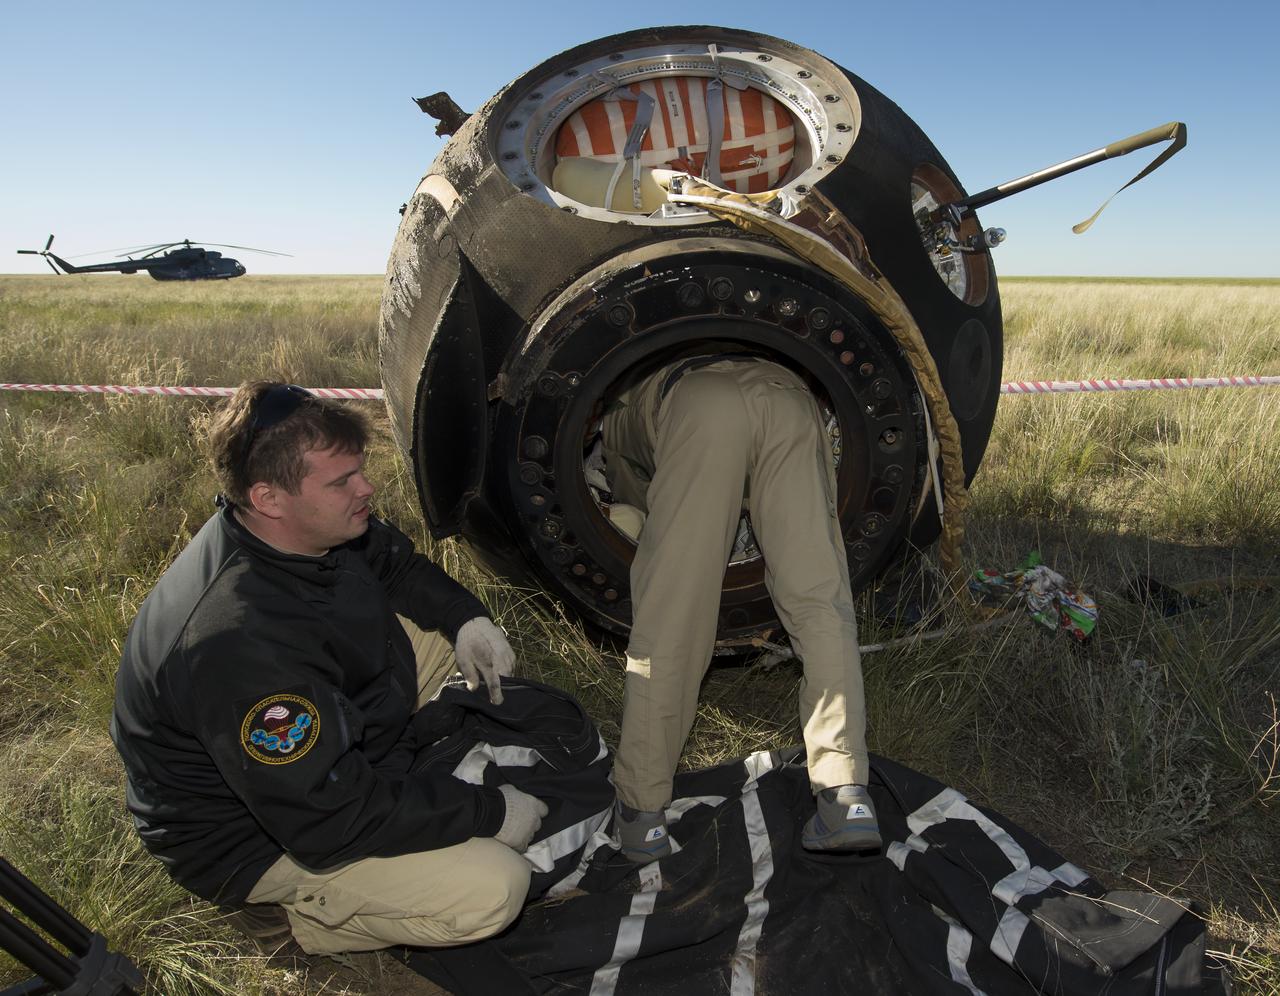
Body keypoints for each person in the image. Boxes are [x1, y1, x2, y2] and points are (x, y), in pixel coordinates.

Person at [110, 382, 548, 956]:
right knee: (494, 887)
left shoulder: (308, 528)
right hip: (256, 840)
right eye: (342, 481)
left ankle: (400, 772)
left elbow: (398, 567)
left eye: (359, 471)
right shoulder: (234, 643)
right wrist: (488, 812)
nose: (366, 489)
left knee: (439, 642)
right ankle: (297, 922)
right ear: (268, 497)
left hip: (311, 749)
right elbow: (328, 818)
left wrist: (466, 618)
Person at [601, 355, 880, 861]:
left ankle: (642, 812)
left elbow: (631, 515)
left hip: (699, 403)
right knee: (820, 601)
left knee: (674, 612)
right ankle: (846, 795)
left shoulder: (616, 411)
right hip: (790, 397)